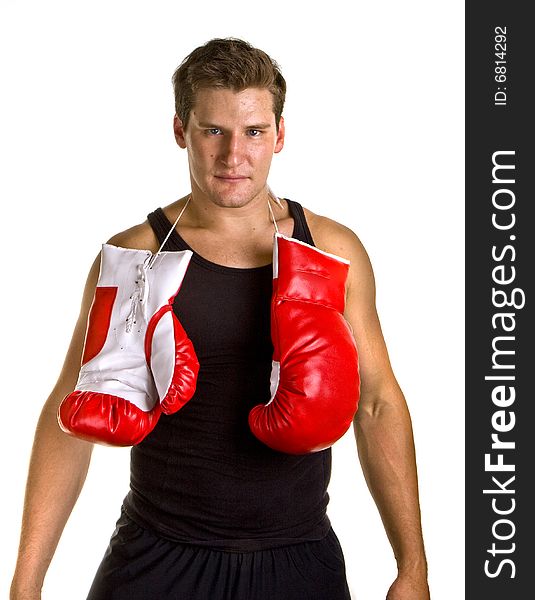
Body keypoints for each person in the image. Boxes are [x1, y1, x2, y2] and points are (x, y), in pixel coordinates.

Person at [10, 38, 430, 600]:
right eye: (214, 131)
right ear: (181, 130)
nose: (234, 156)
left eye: (254, 132)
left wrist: (413, 567)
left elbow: (378, 402)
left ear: (280, 134)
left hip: (299, 562)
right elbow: (71, 415)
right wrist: (26, 583)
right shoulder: (138, 258)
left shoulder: (331, 251)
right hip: (156, 558)